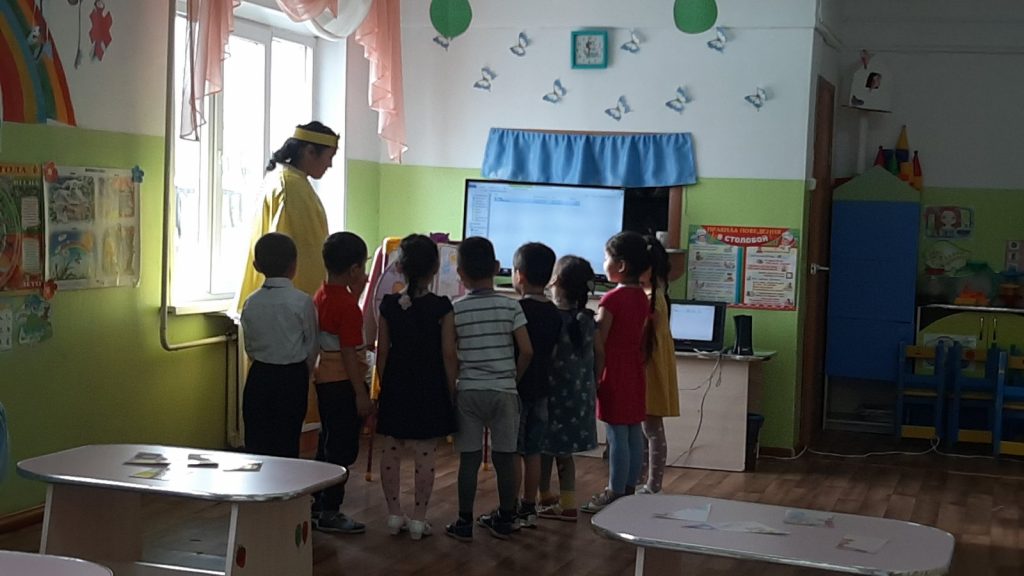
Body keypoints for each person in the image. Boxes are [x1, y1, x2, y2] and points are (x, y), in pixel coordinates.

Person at [445, 237, 533, 542]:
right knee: (505, 457)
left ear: (460, 273)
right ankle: (506, 518)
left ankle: (463, 522)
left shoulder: (456, 309)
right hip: (504, 391)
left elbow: (450, 355)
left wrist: (452, 389)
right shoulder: (511, 306)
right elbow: (527, 350)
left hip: (469, 391)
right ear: (497, 267)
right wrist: (513, 379)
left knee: (469, 460)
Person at [375, 234, 458, 541]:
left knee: (391, 449)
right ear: (435, 268)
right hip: (430, 384)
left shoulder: (389, 305)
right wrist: (450, 390)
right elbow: (448, 354)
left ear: (400, 267)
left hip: (396, 382)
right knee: (425, 453)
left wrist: (385, 384)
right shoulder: (442, 307)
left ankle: (394, 513)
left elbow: (382, 352)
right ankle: (419, 519)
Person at [581, 231, 651, 514]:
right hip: (634, 370)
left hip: (614, 371)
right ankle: (629, 488)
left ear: (620, 265)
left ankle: (614, 490)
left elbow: (601, 342)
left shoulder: (611, 299)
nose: (603, 263)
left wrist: (596, 377)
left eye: (606, 258)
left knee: (615, 434)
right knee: (633, 432)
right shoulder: (643, 297)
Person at [236, 121, 339, 307]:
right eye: (329, 157)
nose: (330, 164)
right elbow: (296, 250)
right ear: (310, 151)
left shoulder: (286, 179)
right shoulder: (291, 186)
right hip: (289, 302)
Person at [311, 232, 372, 534]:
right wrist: (361, 393)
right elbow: (349, 352)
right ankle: (330, 511)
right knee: (342, 450)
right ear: (354, 269)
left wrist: (355, 295)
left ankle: (316, 503)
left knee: (328, 443)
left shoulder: (322, 294)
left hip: (325, 381)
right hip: (343, 384)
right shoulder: (348, 306)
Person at [239, 232, 319, 458]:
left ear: (256, 266)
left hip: (259, 375)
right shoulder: (302, 301)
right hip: (292, 377)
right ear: (294, 265)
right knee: (287, 439)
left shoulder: (251, 302)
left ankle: (258, 480)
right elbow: (312, 344)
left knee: (257, 441)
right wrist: (305, 371)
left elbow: (250, 346)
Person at [537, 256, 602, 522]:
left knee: (546, 448)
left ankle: (556, 501)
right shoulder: (588, 319)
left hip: (553, 395)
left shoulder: (552, 318)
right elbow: (600, 354)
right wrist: (594, 383)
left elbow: (548, 356)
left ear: (555, 281)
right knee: (559, 451)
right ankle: (557, 499)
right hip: (580, 395)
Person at [508, 242, 561, 529]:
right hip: (543, 389)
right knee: (533, 451)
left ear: (519, 275)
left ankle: (510, 507)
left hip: (518, 389)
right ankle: (529, 506)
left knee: (514, 451)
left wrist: (513, 379)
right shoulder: (554, 312)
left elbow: (518, 351)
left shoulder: (515, 310)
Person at [637, 236, 679, 495]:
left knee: (651, 429)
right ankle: (645, 481)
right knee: (648, 429)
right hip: (652, 367)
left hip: (649, 369)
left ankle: (653, 485)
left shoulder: (652, 297)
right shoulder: (657, 293)